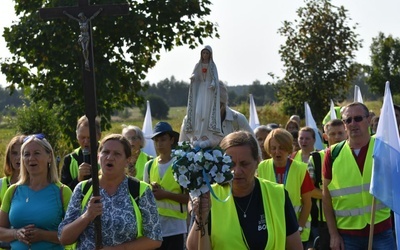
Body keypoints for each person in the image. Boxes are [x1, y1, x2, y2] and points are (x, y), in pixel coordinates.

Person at [186, 131, 302, 249]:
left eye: (244, 164)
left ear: (257, 162)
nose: (236, 171)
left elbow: (295, 246)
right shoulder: (210, 197)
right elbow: (194, 247)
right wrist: (201, 218)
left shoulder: (278, 194)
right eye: (230, 164)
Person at [58, 134, 162, 249]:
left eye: (117, 154)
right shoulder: (83, 189)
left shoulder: (140, 190)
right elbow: (63, 238)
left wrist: (117, 249)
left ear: (127, 160)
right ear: (98, 157)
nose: (110, 157)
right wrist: (87, 215)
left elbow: (154, 238)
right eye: (105, 152)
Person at [322, 102, 395, 250]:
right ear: (344, 124)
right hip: (347, 235)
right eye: (348, 120)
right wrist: (333, 234)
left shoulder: (384, 148)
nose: (353, 123)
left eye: (358, 118)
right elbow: (326, 197)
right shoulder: (332, 154)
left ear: (368, 120)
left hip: (381, 231)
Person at [0, 134, 72, 249]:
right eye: (26, 154)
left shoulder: (62, 192)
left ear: (49, 157)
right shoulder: (13, 191)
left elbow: (73, 235)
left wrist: (43, 235)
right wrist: (16, 233)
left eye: (37, 153)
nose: (31, 158)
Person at [257, 128, 314, 249]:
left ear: (288, 148)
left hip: (296, 231)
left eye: (281, 147)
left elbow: (307, 203)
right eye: (273, 148)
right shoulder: (261, 168)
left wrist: (299, 227)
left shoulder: (301, 169)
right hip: (271, 231)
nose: (277, 152)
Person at [144, 122, 189, 250]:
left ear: (172, 140)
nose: (159, 144)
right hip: (155, 228)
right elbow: (145, 199)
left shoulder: (181, 165)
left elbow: (190, 198)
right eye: (156, 140)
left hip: (177, 228)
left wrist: (166, 195)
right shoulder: (149, 166)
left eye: (163, 139)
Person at [307, 119, 347, 249]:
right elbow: (309, 189)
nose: (337, 137)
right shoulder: (316, 158)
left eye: (340, 133)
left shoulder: (353, 155)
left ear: (346, 133)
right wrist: (331, 197)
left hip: (351, 220)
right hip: (324, 222)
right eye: (332, 134)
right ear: (325, 137)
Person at [180, 82, 254, 145]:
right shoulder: (189, 121)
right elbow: (181, 151)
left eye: (214, 107)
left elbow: (255, 150)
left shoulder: (238, 120)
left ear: (223, 104)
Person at [183, 45, 222, 148]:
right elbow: (195, 74)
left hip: (209, 90)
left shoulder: (212, 66)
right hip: (201, 89)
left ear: (210, 55)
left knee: (207, 111)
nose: (205, 55)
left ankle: (206, 133)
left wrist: (213, 84)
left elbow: (215, 78)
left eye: (207, 53)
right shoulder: (198, 65)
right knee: (198, 111)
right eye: (203, 53)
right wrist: (193, 77)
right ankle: (197, 132)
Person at [61, 115, 101, 191]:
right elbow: (64, 192)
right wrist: (78, 179)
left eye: (90, 138)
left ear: (99, 136)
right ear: (76, 136)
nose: (86, 141)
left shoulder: (108, 155)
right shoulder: (70, 159)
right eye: (82, 137)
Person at [0, 135, 26, 249]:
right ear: (8, 156)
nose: (17, 158)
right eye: (14, 153)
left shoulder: (37, 184)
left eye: (21, 153)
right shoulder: (1, 184)